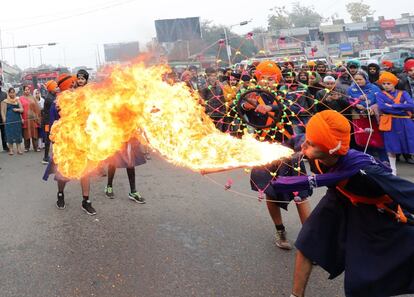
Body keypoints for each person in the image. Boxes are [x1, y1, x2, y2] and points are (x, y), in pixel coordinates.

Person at [272, 110, 414, 297]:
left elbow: (407, 192)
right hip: (338, 196)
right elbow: (293, 142)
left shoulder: (365, 170)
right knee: (308, 241)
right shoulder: (311, 145)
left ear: (331, 149)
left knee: (363, 279)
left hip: (372, 210)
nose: (305, 144)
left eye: (312, 143)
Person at [242, 60, 311, 250]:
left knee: (301, 193)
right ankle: (280, 230)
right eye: (263, 77)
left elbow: (295, 109)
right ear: (257, 78)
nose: (268, 81)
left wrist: (271, 108)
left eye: (272, 78)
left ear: (278, 79)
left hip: (290, 150)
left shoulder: (286, 94)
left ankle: (309, 237)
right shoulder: (249, 96)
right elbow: (240, 107)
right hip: (264, 151)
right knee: (271, 192)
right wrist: (248, 106)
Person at [43, 73, 96, 215]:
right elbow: (53, 126)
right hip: (65, 143)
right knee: (63, 174)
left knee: (85, 172)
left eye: (75, 83)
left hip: (81, 141)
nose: (74, 85)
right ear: (65, 86)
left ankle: (86, 201)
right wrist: (54, 145)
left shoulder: (80, 99)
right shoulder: (56, 104)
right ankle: (60, 194)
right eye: (71, 83)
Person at [376, 72, 414, 174]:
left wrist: (393, 106)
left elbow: (412, 105)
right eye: (384, 84)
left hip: (406, 122)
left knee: (411, 143)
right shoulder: (380, 94)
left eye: (389, 83)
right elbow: (383, 107)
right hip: (390, 123)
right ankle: (393, 170)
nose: (386, 86)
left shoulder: (404, 93)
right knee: (391, 145)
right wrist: (403, 106)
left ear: (394, 83)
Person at [347, 70, 388, 162]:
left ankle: (384, 160)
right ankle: (369, 161)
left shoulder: (375, 88)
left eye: (360, 79)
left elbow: (380, 100)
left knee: (378, 139)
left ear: (366, 79)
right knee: (364, 139)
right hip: (359, 118)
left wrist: (373, 108)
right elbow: (349, 100)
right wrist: (355, 104)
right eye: (356, 79)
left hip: (374, 118)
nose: (358, 81)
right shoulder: (351, 89)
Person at [104, 138, 146, 203]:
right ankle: (109, 186)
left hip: (128, 138)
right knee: (113, 161)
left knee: (130, 161)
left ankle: (133, 192)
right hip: (116, 136)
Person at [0, 88, 24, 155]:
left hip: (17, 119)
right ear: (8, 93)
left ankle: (19, 149)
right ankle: (11, 150)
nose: (12, 94)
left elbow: (22, 109)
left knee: (17, 134)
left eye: (13, 92)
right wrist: (4, 119)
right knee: (9, 134)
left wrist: (17, 110)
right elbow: (2, 111)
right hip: (9, 120)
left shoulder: (17, 100)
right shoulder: (5, 101)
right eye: (11, 92)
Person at [20, 85, 41, 152]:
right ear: (23, 91)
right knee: (26, 133)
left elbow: (37, 108)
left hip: (33, 118)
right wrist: (21, 118)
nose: (27, 91)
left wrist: (37, 117)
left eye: (28, 89)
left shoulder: (33, 98)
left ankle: (36, 147)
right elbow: (20, 108)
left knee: (35, 133)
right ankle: (27, 147)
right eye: (26, 90)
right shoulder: (21, 98)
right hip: (25, 118)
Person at [42, 80, 58, 164]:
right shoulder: (49, 98)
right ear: (51, 89)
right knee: (48, 139)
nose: (57, 88)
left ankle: (53, 156)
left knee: (52, 138)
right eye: (56, 87)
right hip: (47, 122)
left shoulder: (53, 96)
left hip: (51, 121)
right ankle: (45, 158)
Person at [0, 85, 9, 152]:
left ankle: (5, 146)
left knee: (4, 132)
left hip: (2, 116)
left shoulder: (4, 94)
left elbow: (7, 105)